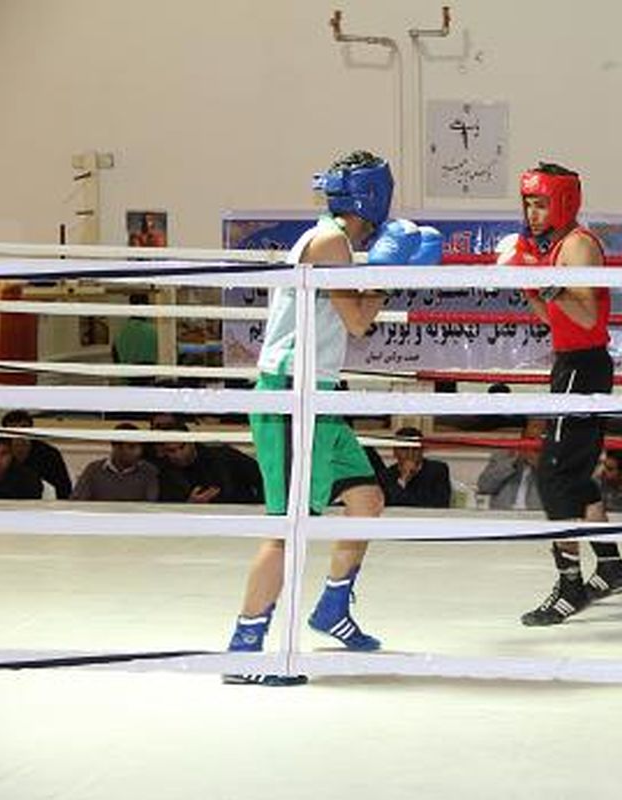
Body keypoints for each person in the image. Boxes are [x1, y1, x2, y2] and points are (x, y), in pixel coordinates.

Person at [224, 150, 397, 686]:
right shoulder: (330, 243)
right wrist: (390, 271)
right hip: (291, 392)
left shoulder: (332, 240)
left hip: (318, 393)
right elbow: (360, 321)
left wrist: (381, 271)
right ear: (374, 196)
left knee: (366, 500)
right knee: (288, 527)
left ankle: (332, 609)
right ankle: (245, 649)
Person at [500, 162, 622, 625]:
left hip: (585, 366)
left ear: (562, 201)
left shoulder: (577, 246)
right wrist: (528, 287)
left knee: (552, 474)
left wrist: (544, 279)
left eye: (540, 203)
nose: (533, 214)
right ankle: (612, 566)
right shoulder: (554, 247)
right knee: (575, 474)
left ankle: (570, 584)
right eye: (528, 205)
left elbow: (584, 318)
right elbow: (553, 319)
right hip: (574, 365)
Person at [153, 421, 263, 505]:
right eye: (171, 451)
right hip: (197, 527)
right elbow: (169, 510)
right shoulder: (165, 473)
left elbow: (262, 477)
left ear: (192, 442)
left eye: (182, 447)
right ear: (164, 451)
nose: (178, 454)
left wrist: (259, 509)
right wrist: (189, 505)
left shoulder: (224, 456)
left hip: (241, 516)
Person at [71, 424, 159, 502]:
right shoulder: (94, 469)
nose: (138, 452)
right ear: (117, 447)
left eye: (139, 447)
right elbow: (77, 501)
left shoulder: (148, 471)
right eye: (132, 447)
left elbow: (151, 505)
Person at [476, 418, 545, 510]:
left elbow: (560, 493)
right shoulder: (504, 454)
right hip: (503, 517)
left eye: (544, 430)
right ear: (523, 434)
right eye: (536, 426)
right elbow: (484, 486)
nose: (539, 432)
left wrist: (540, 466)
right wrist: (513, 463)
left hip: (536, 519)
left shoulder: (553, 460)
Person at [1, 410, 71, 499]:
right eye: (13, 429)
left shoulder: (49, 454)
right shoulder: (1, 452)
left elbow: (64, 490)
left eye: (23, 428)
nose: (18, 434)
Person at [380, 427, 452, 508]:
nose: (410, 454)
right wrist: (403, 479)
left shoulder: (438, 470)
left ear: (422, 450)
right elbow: (390, 504)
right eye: (405, 449)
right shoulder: (386, 475)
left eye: (415, 449)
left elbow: (440, 504)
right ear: (395, 451)